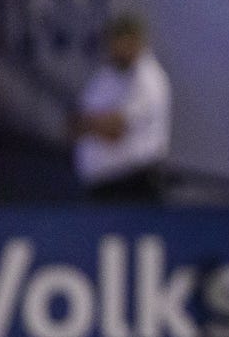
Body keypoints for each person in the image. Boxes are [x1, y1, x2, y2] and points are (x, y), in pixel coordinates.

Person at [72, 14, 172, 203]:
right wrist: (92, 124)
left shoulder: (149, 79)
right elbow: (72, 125)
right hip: (101, 186)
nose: (114, 48)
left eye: (120, 42)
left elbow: (115, 131)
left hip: (134, 186)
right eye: (112, 41)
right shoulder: (105, 77)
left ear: (135, 42)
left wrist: (90, 124)